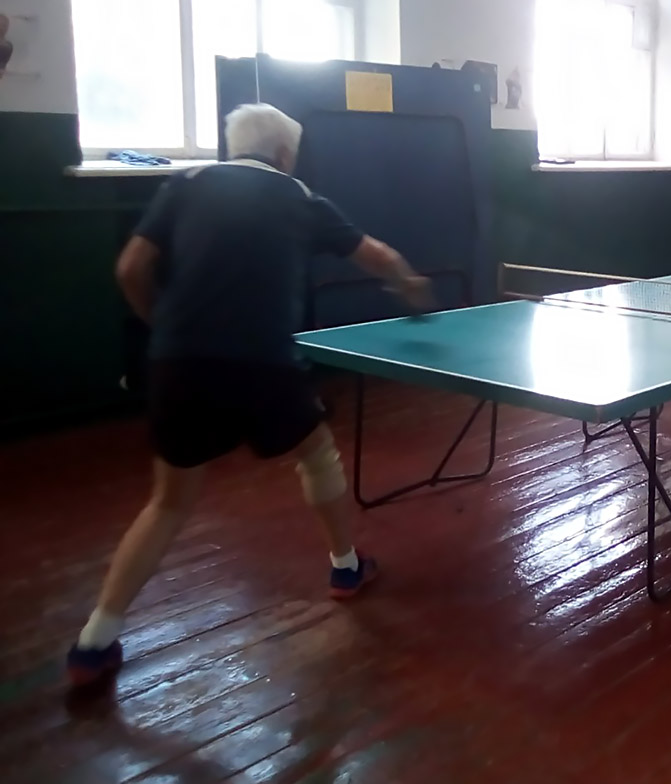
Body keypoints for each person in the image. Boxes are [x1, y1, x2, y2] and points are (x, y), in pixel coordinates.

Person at [66, 102, 434, 689]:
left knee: (168, 503)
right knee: (316, 453)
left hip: (179, 363)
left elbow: (131, 268)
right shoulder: (299, 196)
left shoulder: (185, 182)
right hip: (264, 362)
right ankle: (345, 568)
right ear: (285, 153)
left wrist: (163, 327)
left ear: (231, 144)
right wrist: (409, 285)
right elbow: (380, 256)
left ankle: (94, 641)